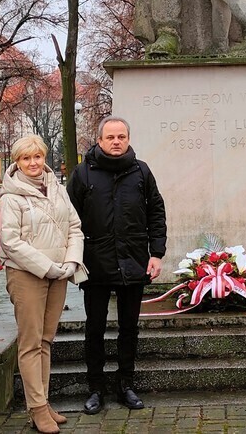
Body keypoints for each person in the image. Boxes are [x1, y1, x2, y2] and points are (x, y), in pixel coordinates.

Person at [67, 116, 167, 414]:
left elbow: (156, 213)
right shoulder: (83, 174)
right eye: (110, 137)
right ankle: (95, 388)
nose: (116, 141)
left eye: (121, 136)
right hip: (94, 264)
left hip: (134, 262)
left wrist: (156, 253)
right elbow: (68, 218)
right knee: (94, 328)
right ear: (99, 140)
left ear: (128, 138)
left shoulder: (141, 171)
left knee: (128, 328)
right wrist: (74, 257)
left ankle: (126, 384)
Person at [0, 134, 85, 434]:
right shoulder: (10, 197)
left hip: (60, 273)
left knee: (46, 340)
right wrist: (47, 268)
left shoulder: (57, 189)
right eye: (26, 158)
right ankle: (36, 408)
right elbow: (10, 242)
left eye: (37, 156)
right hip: (28, 276)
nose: (33, 163)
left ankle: (43, 401)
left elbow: (74, 227)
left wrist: (71, 262)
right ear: (17, 162)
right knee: (31, 342)